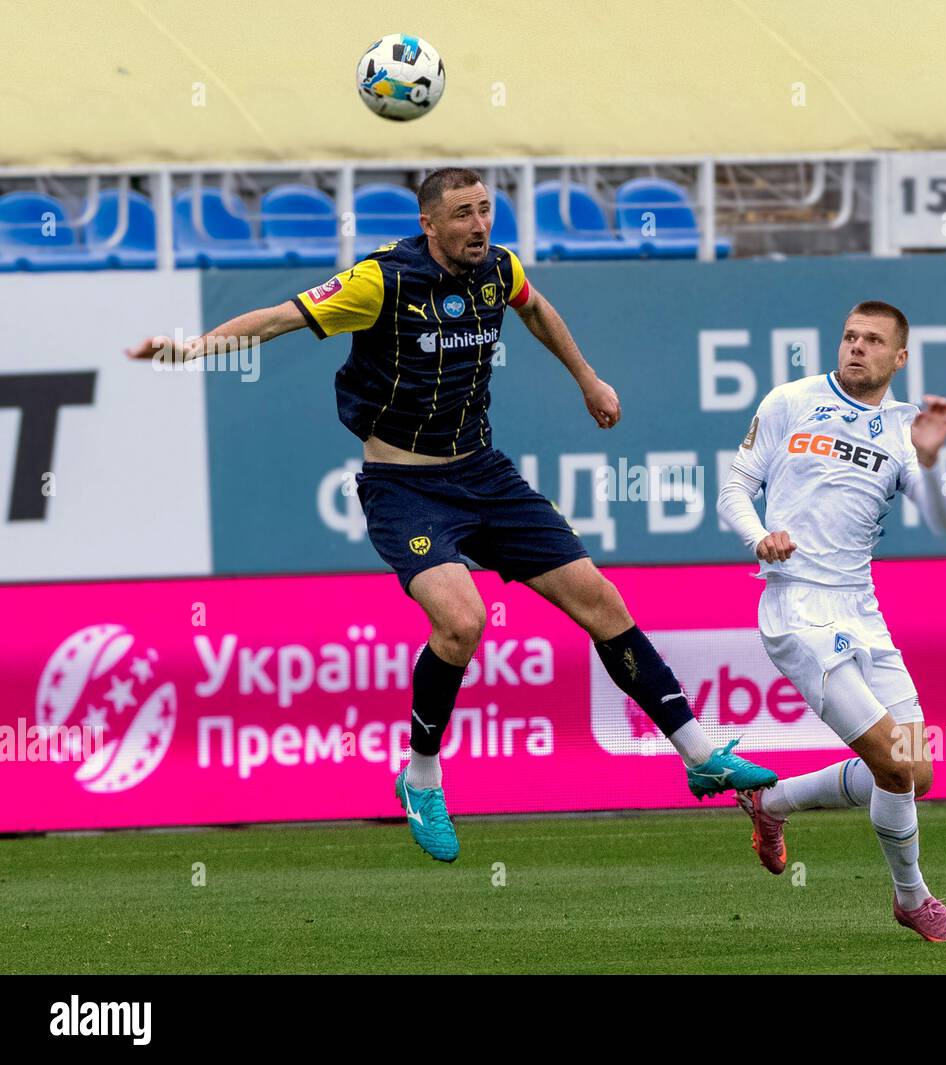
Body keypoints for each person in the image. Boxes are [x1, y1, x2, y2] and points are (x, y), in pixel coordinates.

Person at [126, 167, 776, 863]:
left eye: (486, 210)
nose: (480, 225)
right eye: (463, 213)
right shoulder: (381, 280)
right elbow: (280, 318)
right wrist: (192, 348)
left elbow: (537, 309)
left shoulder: (499, 269)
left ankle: (700, 754)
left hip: (483, 473)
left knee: (601, 599)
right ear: (429, 224)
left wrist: (587, 378)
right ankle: (422, 776)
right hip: (404, 487)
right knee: (461, 621)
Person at [716, 300, 946, 942]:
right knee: (894, 765)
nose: (856, 348)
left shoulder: (902, 429)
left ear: (900, 357)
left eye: (872, 340)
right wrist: (760, 537)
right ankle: (913, 899)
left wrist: (932, 462)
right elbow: (732, 489)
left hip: (861, 609)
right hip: (798, 607)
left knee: (917, 770)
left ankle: (771, 802)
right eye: (849, 337)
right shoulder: (791, 401)